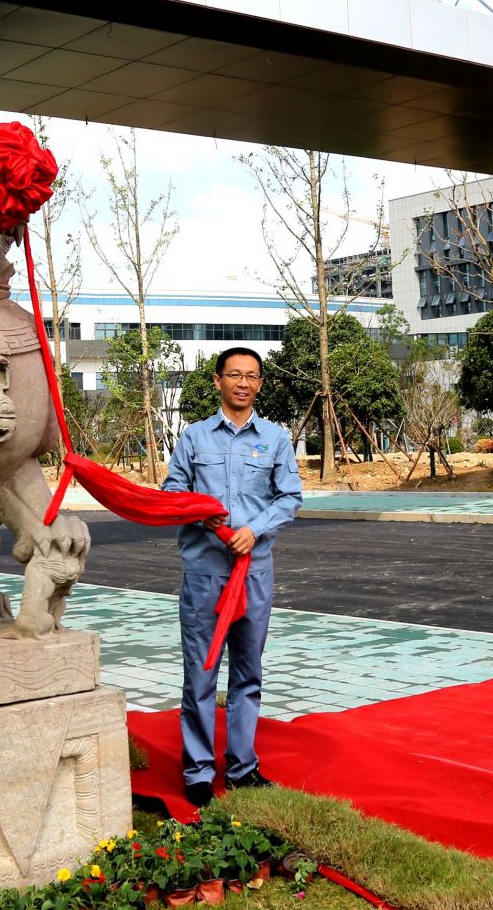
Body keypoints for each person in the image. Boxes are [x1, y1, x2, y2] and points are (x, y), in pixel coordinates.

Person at [161, 346, 302, 808]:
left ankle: (242, 767)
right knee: (201, 675)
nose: (243, 383)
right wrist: (201, 513)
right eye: (234, 374)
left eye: (251, 376)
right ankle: (198, 772)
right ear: (218, 380)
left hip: (253, 573)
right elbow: (172, 491)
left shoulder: (275, 439)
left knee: (247, 672)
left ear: (260, 384)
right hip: (205, 573)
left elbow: (289, 497)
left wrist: (253, 531)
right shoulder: (194, 438)